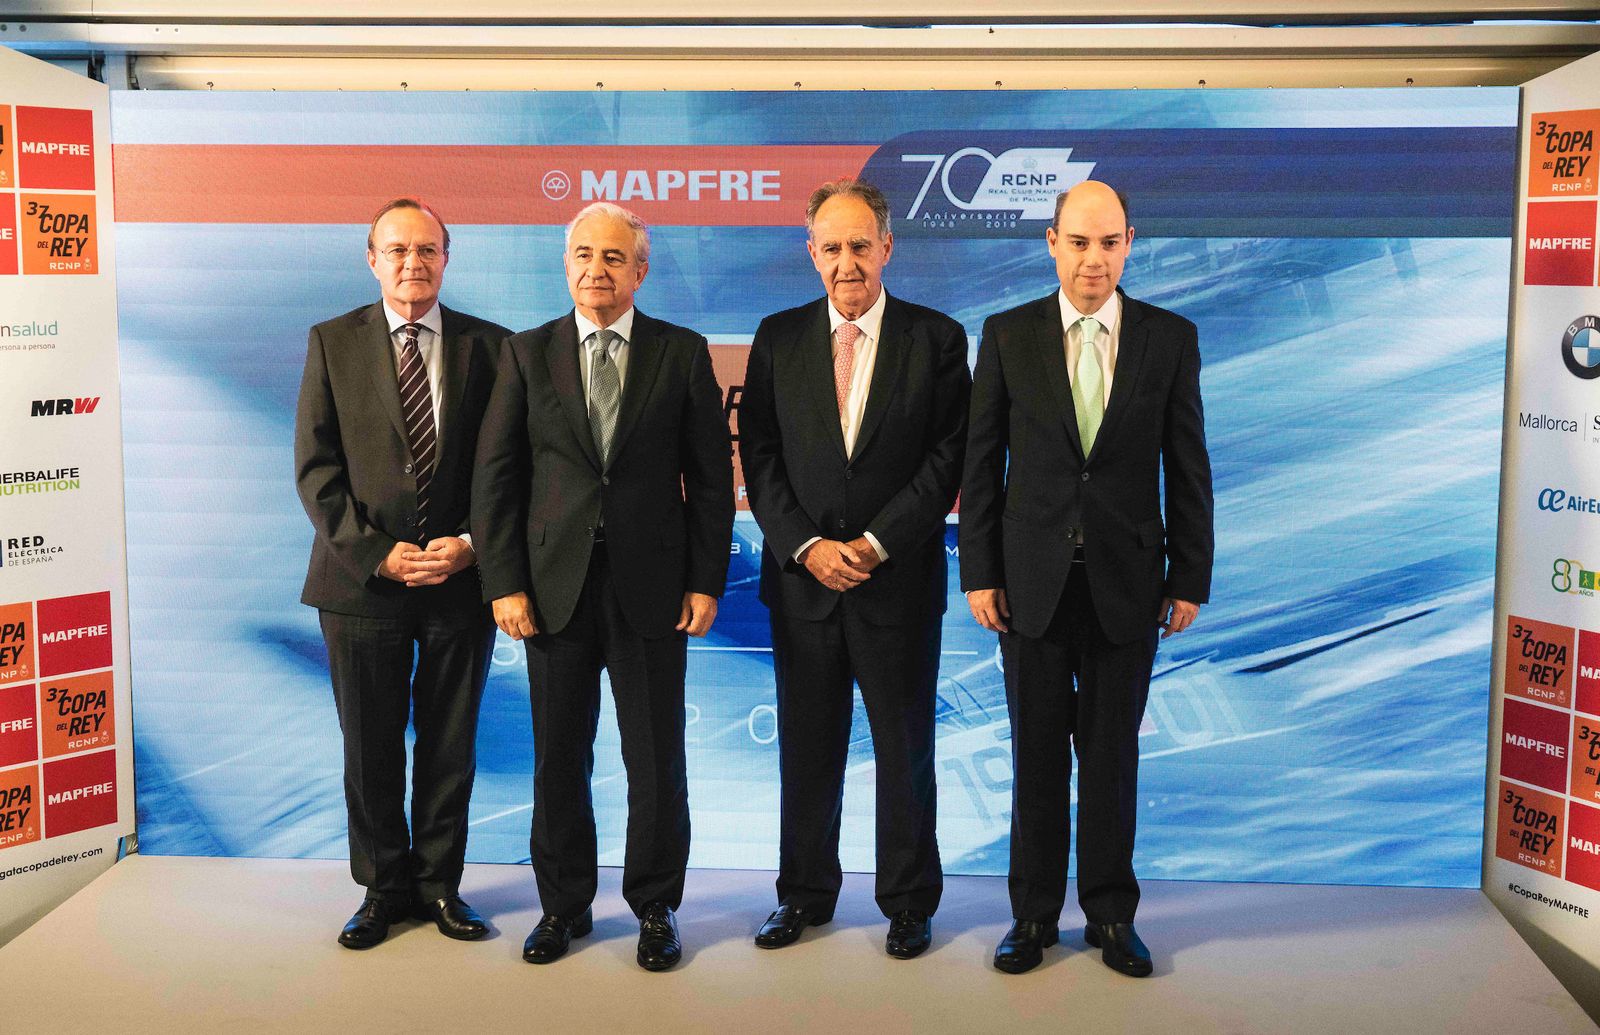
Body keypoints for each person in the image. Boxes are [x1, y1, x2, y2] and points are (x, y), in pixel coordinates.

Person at [960, 181, 1214, 977]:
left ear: (1130, 242)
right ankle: (1032, 917)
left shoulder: (1169, 338)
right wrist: (979, 572)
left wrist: (1190, 578)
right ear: (1051, 243)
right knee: (1036, 758)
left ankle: (1110, 915)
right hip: (1030, 586)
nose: (1093, 259)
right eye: (1078, 242)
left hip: (1128, 585)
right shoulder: (1006, 335)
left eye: (1108, 243)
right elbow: (981, 463)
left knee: (1111, 760)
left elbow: (1188, 465)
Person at [472, 201, 733, 972]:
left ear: (640, 270)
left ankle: (655, 906)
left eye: (614, 257)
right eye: (583, 255)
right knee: (558, 754)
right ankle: (563, 903)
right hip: (552, 591)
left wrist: (706, 580)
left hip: (654, 587)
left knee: (657, 756)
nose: (597, 269)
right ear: (566, 266)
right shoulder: (526, 354)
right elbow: (498, 481)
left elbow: (712, 482)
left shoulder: (681, 353)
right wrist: (504, 582)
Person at [740, 178, 970, 959]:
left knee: (905, 751)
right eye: (831, 248)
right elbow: (760, 457)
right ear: (812, 254)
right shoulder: (775, 339)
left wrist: (874, 544)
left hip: (895, 584)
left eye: (860, 245)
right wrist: (806, 545)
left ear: (887, 248)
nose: (847, 262)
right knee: (807, 750)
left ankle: (908, 902)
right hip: (804, 586)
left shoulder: (937, 340)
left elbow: (947, 461)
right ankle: (803, 894)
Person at [294, 197, 506, 949]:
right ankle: (383, 889)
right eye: (397, 250)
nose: (412, 263)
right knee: (371, 743)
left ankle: (440, 885)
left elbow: (509, 468)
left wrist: (475, 544)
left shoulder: (493, 347)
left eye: (427, 250)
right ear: (371, 258)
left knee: (451, 742)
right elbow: (316, 471)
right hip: (361, 585)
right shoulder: (333, 342)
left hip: (461, 580)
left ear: (447, 258)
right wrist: (378, 551)